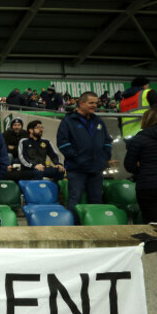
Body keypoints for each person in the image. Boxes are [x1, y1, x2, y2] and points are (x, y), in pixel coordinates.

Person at [57, 92, 113, 223]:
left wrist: (104, 157)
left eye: (96, 103)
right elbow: (63, 143)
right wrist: (76, 156)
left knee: (96, 201)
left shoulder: (99, 121)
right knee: (74, 200)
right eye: (91, 103)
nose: (95, 105)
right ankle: (75, 229)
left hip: (96, 168)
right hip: (76, 169)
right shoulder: (68, 121)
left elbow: (107, 141)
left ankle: (95, 227)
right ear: (81, 103)